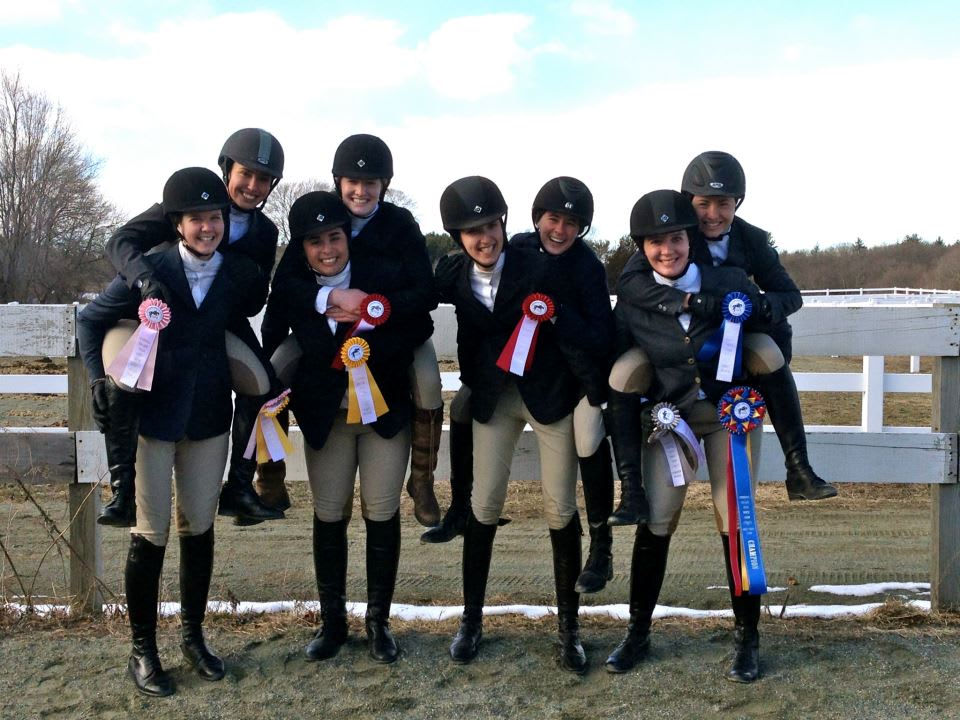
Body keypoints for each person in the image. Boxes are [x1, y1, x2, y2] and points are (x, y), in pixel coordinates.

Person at [78, 167, 265, 696]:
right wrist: (97, 380)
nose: (207, 227)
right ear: (177, 224)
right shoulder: (153, 270)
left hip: (208, 418)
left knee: (198, 528)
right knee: (151, 531)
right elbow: (91, 321)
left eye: (215, 217)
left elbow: (241, 329)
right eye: (196, 219)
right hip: (154, 420)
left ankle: (193, 637)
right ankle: (143, 649)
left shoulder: (236, 274)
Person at [604, 189, 781, 683]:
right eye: (656, 243)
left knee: (735, 517)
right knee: (658, 518)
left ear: (690, 239)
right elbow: (618, 355)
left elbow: (768, 320)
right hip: (671, 420)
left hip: (729, 415)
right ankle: (638, 631)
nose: (668, 250)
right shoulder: (635, 298)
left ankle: (747, 637)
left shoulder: (727, 282)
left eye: (676, 239)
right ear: (643, 248)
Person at [423, 177, 616, 595]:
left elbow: (598, 338)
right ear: (536, 219)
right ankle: (459, 513)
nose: (560, 230)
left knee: (584, 447)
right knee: (462, 410)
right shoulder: (507, 255)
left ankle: (601, 546)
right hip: (500, 385)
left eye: (571, 223)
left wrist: (559, 316)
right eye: (553, 219)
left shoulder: (579, 268)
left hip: (569, 381)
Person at [615, 151, 836, 504]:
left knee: (768, 352)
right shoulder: (675, 236)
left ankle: (799, 467)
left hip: (736, 335)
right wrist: (687, 301)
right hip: (688, 339)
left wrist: (760, 306)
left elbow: (790, 295)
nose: (713, 214)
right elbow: (630, 284)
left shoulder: (753, 239)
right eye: (703, 204)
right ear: (689, 202)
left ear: (737, 204)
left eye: (723, 204)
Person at [435, 175, 588, 674]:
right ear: (458, 237)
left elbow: (577, 323)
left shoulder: (538, 266)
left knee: (560, 506)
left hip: (547, 394)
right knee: (484, 504)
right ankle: (471, 620)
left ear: (503, 224)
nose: (485, 239)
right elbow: (412, 298)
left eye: (490, 226)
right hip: (494, 398)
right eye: (472, 231)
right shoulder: (453, 275)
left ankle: (569, 629)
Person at [265, 191, 423, 664]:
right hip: (326, 418)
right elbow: (272, 340)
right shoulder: (294, 289)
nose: (327, 249)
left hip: (382, 416)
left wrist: (373, 321)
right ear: (303, 247)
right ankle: (332, 622)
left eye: (335, 237)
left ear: (347, 237)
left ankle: (378, 623)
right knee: (330, 514)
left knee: (382, 512)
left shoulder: (380, 277)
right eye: (315, 242)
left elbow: (419, 325)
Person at [103, 128, 286, 527]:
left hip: (219, 320)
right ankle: (122, 489)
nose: (253, 186)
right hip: (163, 315)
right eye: (246, 174)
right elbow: (121, 241)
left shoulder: (266, 231)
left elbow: (252, 303)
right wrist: (146, 281)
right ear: (227, 170)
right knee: (124, 382)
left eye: (264, 179)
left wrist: (243, 278)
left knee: (266, 385)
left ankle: (241, 485)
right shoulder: (191, 196)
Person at [264, 134, 442, 527]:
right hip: (324, 333)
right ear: (339, 182)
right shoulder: (321, 216)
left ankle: (422, 479)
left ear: (384, 185)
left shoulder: (400, 224)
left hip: (394, 330)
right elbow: (286, 285)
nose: (361, 191)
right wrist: (328, 297)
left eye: (370, 183)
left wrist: (373, 306)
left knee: (429, 379)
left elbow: (425, 292)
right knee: (271, 371)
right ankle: (269, 474)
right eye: (353, 183)